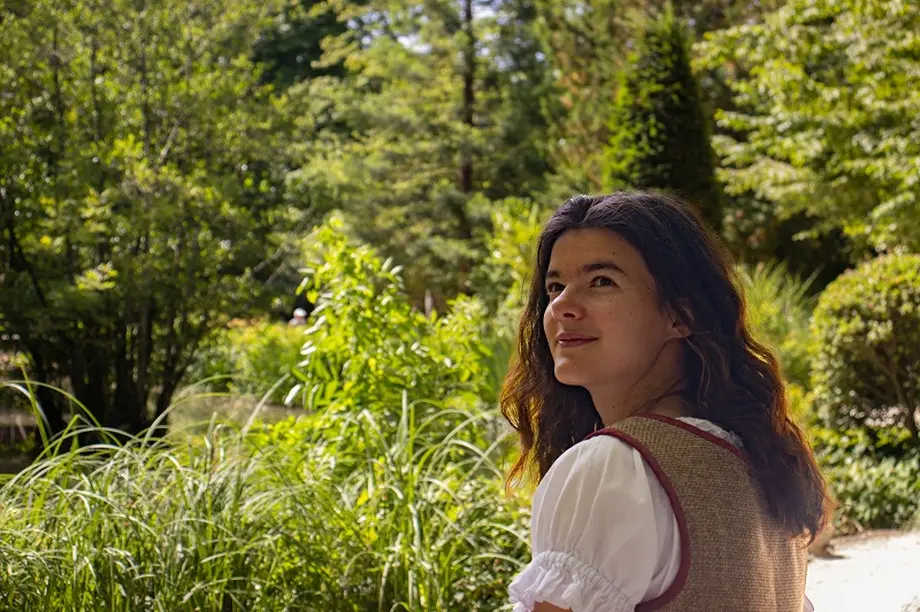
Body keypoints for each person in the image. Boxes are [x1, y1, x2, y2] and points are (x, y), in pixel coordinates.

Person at [502, 192, 829, 612]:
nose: (563, 304)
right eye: (555, 286)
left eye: (601, 281)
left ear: (680, 315)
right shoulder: (756, 459)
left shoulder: (614, 468)